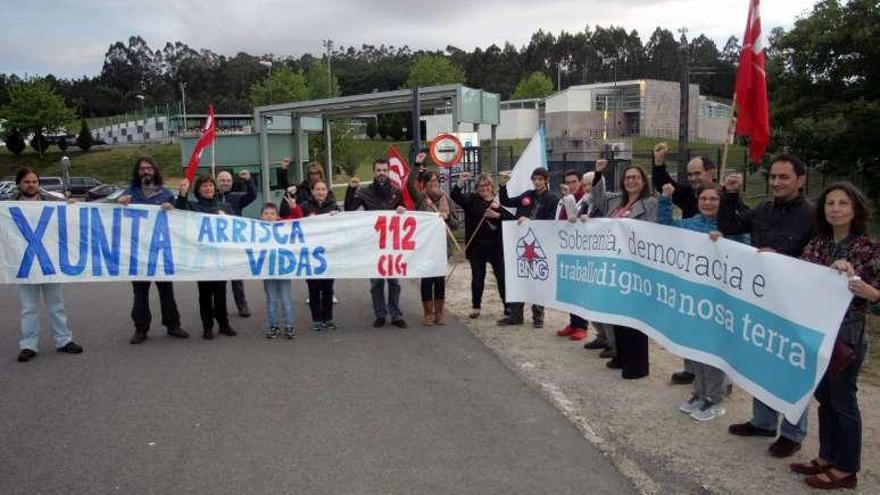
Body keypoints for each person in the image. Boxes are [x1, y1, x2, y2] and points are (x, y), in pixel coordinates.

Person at [718, 154, 814, 458]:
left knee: (791, 367)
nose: (776, 183)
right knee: (761, 361)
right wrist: (730, 194)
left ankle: (792, 432)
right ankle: (763, 422)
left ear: (800, 180)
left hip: (796, 306)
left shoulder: (813, 216)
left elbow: (818, 263)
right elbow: (729, 224)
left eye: (784, 177)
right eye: (773, 177)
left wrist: (783, 261)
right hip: (762, 301)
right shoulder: (763, 209)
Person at [789, 182, 878, 490]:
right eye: (830, 204)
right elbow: (800, 275)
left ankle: (846, 468)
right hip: (817, 329)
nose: (836, 209)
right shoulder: (819, 244)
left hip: (847, 333)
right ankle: (827, 456)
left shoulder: (868, 248)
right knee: (824, 396)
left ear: (855, 209)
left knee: (842, 399)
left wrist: (870, 292)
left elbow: (874, 293)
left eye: (842, 203)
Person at [660, 182, 749, 420]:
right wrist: (666, 201)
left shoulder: (734, 227)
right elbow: (665, 228)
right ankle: (699, 392)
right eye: (704, 199)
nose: (708, 203)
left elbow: (747, 252)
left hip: (719, 301)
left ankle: (714, 398)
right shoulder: (690, 224)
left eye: (714, 199)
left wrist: (726, 241)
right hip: (693, 298)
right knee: (696, 348)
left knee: (712, 351)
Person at [652, 142, 718, 384]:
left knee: (712, 331)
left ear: (710, 173)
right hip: (691, 269)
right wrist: (659, 162)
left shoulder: (725, 199)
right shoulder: (690, 195)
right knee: (690, 322)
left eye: (697, 174)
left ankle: (720, 381)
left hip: (716, 275)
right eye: (689, 174)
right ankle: (692, 369)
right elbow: (666, 187)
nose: (692, 178)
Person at [8, 168, 84, 362]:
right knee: (29, 308)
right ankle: (28, 345)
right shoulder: (7, 206)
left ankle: (64, 340)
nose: (31, 185)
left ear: (38, 183)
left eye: (34, 181)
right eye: (26, 181)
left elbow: (69, 220)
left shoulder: (51, 201)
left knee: (56, 305)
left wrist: (71, 206)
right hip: (25, 264)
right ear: (19, 184)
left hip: (50, 263)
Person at [591, 164, 658, 379]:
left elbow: (653, 230)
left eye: (636, 177)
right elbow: (597, 197)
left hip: (635, 268)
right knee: (618, 314)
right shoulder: (615, 201)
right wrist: (599, 173)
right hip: (615, 267)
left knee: (633, 319)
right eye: (628, 177)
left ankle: (637, 366)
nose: (631, 181)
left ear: (643, 181)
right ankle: (620, 355)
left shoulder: (650, 203)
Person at [117, 156, 189, 344]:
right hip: (138, 253)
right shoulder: (130, 192)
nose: (146, 171)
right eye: (142, 169)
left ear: (155, 170)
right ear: (137, 172)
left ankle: (173, 325)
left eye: (149, 168)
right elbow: (111, 215)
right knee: (140, 293)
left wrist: (172, 207)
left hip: (161, 251)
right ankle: (141, 329)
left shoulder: (166, 194)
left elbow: (179, 218)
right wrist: (119, 203)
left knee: (167, 291)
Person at [345, 158, 408, 328]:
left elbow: (403, 210)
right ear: (374, 172)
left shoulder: (396, 190)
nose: (381, 173)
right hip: (374, 243)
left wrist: (402, 209)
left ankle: (395, 314)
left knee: (394, 281)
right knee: (377, 282)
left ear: (388, 172)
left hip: (392, 244)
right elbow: (349, 209)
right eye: (378, 170)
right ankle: (380, 314)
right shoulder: (365, 191)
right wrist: (351, 190)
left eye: (384, 170)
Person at [175, 175, 238, 340]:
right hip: (201, 259)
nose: (208, 188)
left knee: (220, 294)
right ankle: (207, 326)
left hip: (221, 259)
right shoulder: (193, 206)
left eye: (210, 185)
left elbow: (237, 228)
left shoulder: (225, 206)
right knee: (205, 295)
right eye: (204, 186)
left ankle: (224, 324)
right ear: (198, 190)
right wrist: (182, 194)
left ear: (214, 188)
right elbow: (178, 211)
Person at [498, 167, 561, 327]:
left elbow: (552, 221)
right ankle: (516, 315)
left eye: (540, 179)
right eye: (535, 179)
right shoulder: (527, 195)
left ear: (546, 180)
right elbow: (506, 202)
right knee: (519, 277)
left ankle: (538, 316)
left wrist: (531, 222)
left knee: (537, 279)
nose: (537, 182)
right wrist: (503, 186)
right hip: (522, 243)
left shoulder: (552, 198)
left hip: (540, 245)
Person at [451, 172, 514, 319]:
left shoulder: (500, 200)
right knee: (478, 277)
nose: (484, 188)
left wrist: (497, 215)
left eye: (486, 185)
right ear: (476, 188)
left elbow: (511, 218)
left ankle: (508, 306)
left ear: (491, 186)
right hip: (477, 247)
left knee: (502, 277)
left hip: (496, 246)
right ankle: (476, 306)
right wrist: (460, 182)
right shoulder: (472, 200)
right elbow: (455, 196)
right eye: (480, 186)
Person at [407, 153, 459, 326]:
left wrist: (447, 217)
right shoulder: (421, 199)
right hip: (426, 247)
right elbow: (409, 184)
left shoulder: (447, 200)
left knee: (439, 280)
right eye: (429, 183)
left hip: (443, 247)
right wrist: (416, 165)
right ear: (425, 185)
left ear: (439, 183)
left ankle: (440, 313)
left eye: (435, 182)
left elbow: (456, 224)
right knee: (427, 280)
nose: (433, 185)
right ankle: (428, 313)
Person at [556, 166, 605, 341]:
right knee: (571, 288)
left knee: (582, 289)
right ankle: (574, 322)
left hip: (587, 251)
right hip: (570, 248)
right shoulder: (573, 199)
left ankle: (582, 325)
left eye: (575, 182)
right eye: (568, 182)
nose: (573, 185)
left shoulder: (591, 200)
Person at [216, 169, 257, 318]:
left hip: (234, 243)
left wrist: (249, 180)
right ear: (216, 181)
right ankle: (219, 309)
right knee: (218, 280)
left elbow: (252, 195)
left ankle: (242, 305)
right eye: (222, 180)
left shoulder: (236, 198)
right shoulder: (210, 197)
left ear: (232, 183)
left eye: (228, 181)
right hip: (217, 244)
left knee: (236, 278)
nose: (225, 183)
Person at [301, 180, 341, 331]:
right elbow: (293, 219)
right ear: (312, 191)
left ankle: (328, 318)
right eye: (317, 189)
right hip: (310, 254)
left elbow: (342, 226)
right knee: (313, 289)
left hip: (329, 254)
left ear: (327, 191)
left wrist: (337, 217)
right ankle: (316, 319)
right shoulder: (305, 206)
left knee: (328, 289)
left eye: (323, 189)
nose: (320, 192)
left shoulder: (334, 207)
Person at [258, 202, 297, 339]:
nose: (269, 216)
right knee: (271, 300)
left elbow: (299, 220)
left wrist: (293, 207)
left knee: (286, 299)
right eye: (266, 213)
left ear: (277, 216)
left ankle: (289, 325)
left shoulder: (285, 228)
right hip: (267, 271)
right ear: (261, 216)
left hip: (284, 270)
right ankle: (273, 326)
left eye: (272, 213)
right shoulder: (256, 230)